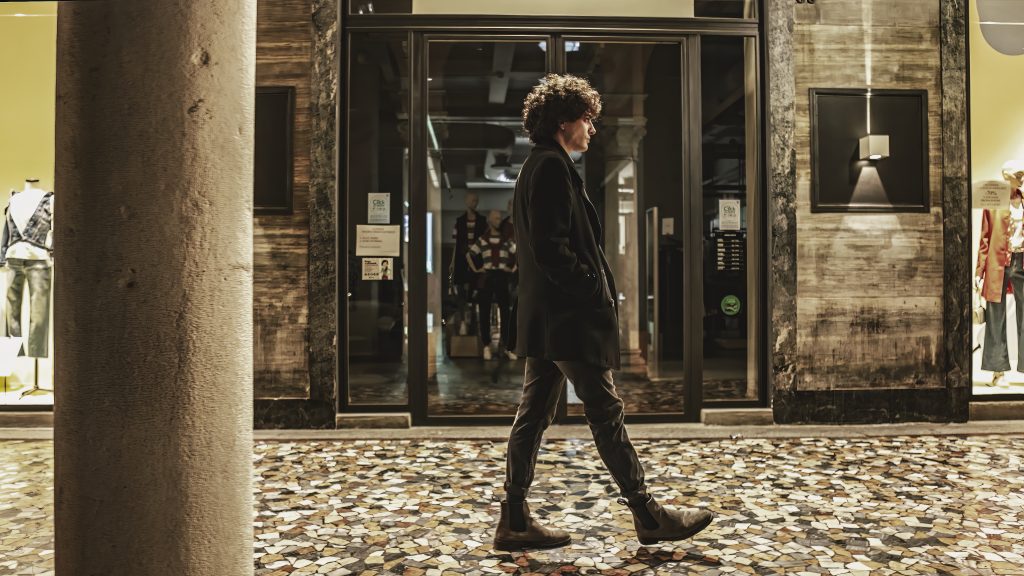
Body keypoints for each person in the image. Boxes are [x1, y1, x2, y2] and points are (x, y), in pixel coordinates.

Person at [493, 74, 714, 551]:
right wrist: (594, 289)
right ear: (563, 122)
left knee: (533, 414)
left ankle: (514, 518)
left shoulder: (542, 165)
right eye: (587, 119)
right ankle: (647, 514)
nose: (593, 129)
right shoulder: (550, 167)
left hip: (550, 320)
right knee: (605, 411)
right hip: (567, 320)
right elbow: (553, 251)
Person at [466, 210, 517, 360]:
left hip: (501, 276)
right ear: (489, 220)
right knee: (484, 312)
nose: (499, 220)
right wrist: (476, 269)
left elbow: (517, 254)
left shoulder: (505, 240)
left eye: (500, 218)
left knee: (506, 313)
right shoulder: (483, 240)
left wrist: (512, 268)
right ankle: (487, 345)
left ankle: (507, 346)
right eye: (496, 218)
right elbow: (469, 254)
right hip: (487, 277)